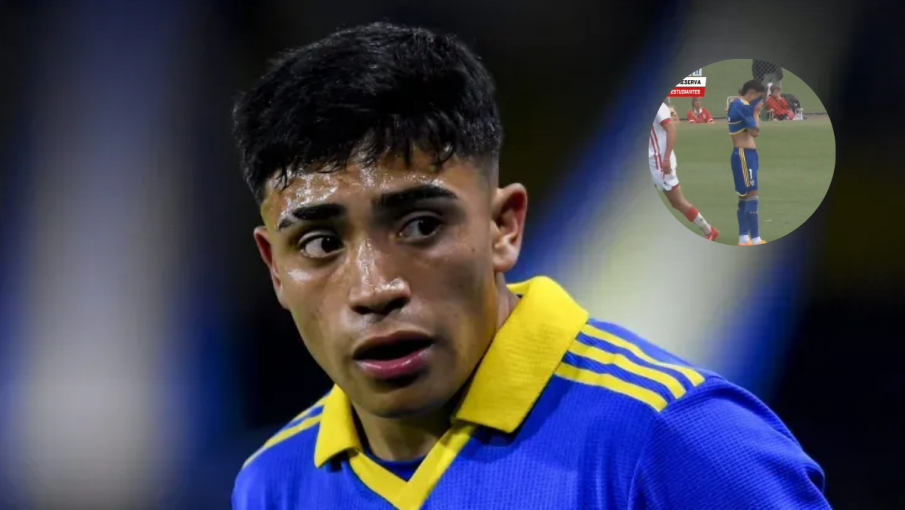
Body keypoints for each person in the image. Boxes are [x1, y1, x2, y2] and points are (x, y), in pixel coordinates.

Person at [230, 22, 829, 509]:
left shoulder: (679, 439)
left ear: (503, 228)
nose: (374, 288)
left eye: (421, 226)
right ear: (275, 268)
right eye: (319, 244)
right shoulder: (271, 485)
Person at [650, 102, 720, 241]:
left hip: (659, 163)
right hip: (651, 161)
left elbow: (671, 129)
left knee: (677, 202)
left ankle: (709, 230)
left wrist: (666, 159)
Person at [728, 80, 768, 245]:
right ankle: (756, 239)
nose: (760, 102)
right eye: (759, 98)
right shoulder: (743, 106)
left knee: (744, 197)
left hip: (745, 154)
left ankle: (744, 238)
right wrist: (756, 112)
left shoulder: (738, 104)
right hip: (744, 155)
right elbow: (754, 131)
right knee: (752, 195)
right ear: (751, 94)